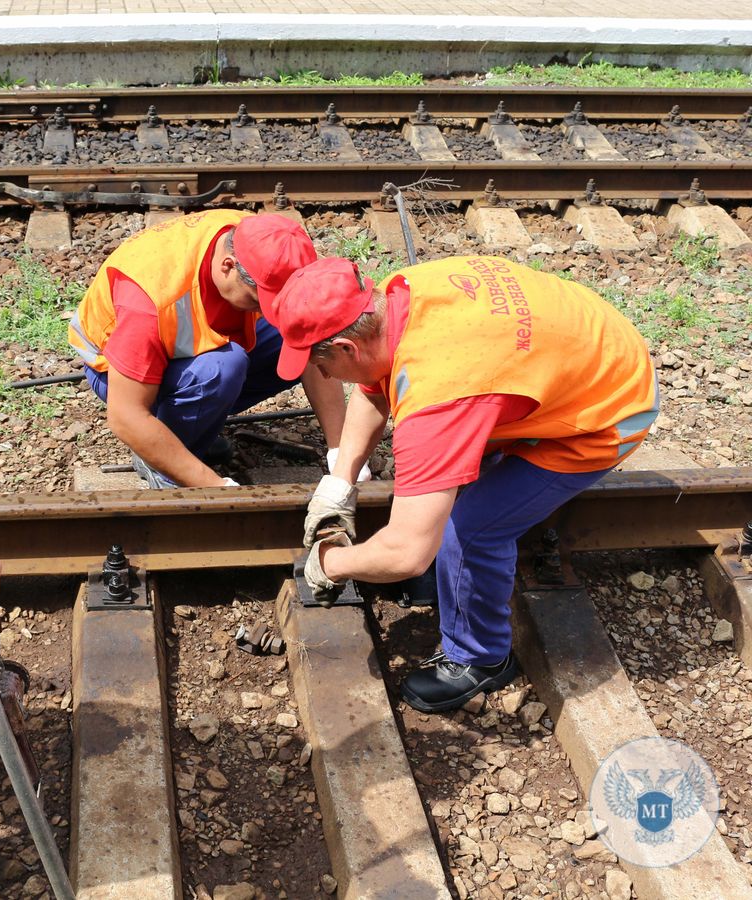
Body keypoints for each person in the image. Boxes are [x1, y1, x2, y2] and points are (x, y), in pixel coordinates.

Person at [273, 255, 658, 712]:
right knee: (435, 487)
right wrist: (340, 481)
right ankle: (452, 581)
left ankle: (482, 659)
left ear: (347, 348)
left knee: (471, 527)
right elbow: (374, 384)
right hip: (571, 354)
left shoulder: (441, 392)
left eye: (322, 364)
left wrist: (331, 564)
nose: (323, 376)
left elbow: (407, 552)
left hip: (606, 410)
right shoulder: (398, 295)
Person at [67, 209, 357, 488]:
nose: (267, 312)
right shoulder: (150, 301)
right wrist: (216, 486)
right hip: (116, 375)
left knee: (297, 335)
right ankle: (163, 458)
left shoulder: (265, 241)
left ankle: (189, 430)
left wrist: (341, 452)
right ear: (227, 266)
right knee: (221, 369)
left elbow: (305, 337)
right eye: (260, 301)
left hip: (184, 345)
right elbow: (126, 415)